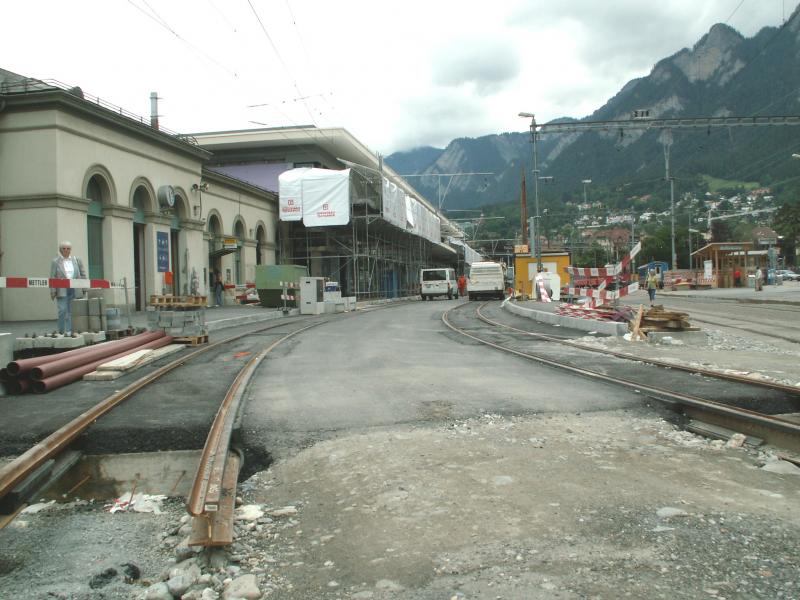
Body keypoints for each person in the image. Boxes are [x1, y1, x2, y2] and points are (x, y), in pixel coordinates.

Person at [49, 240, 86, 334]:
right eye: (64, 248)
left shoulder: (77, 260)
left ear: (71, 250)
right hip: (61, 289)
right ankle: (61, 331)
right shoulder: (55, 262)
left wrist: (84, 288)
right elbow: (52, 277)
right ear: (60, 250)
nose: (66, 250)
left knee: (70, 311)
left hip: (74, 289)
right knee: (62, 310)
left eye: (68, 248)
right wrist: (52, 291)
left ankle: (69, 331)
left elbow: (83, 275)